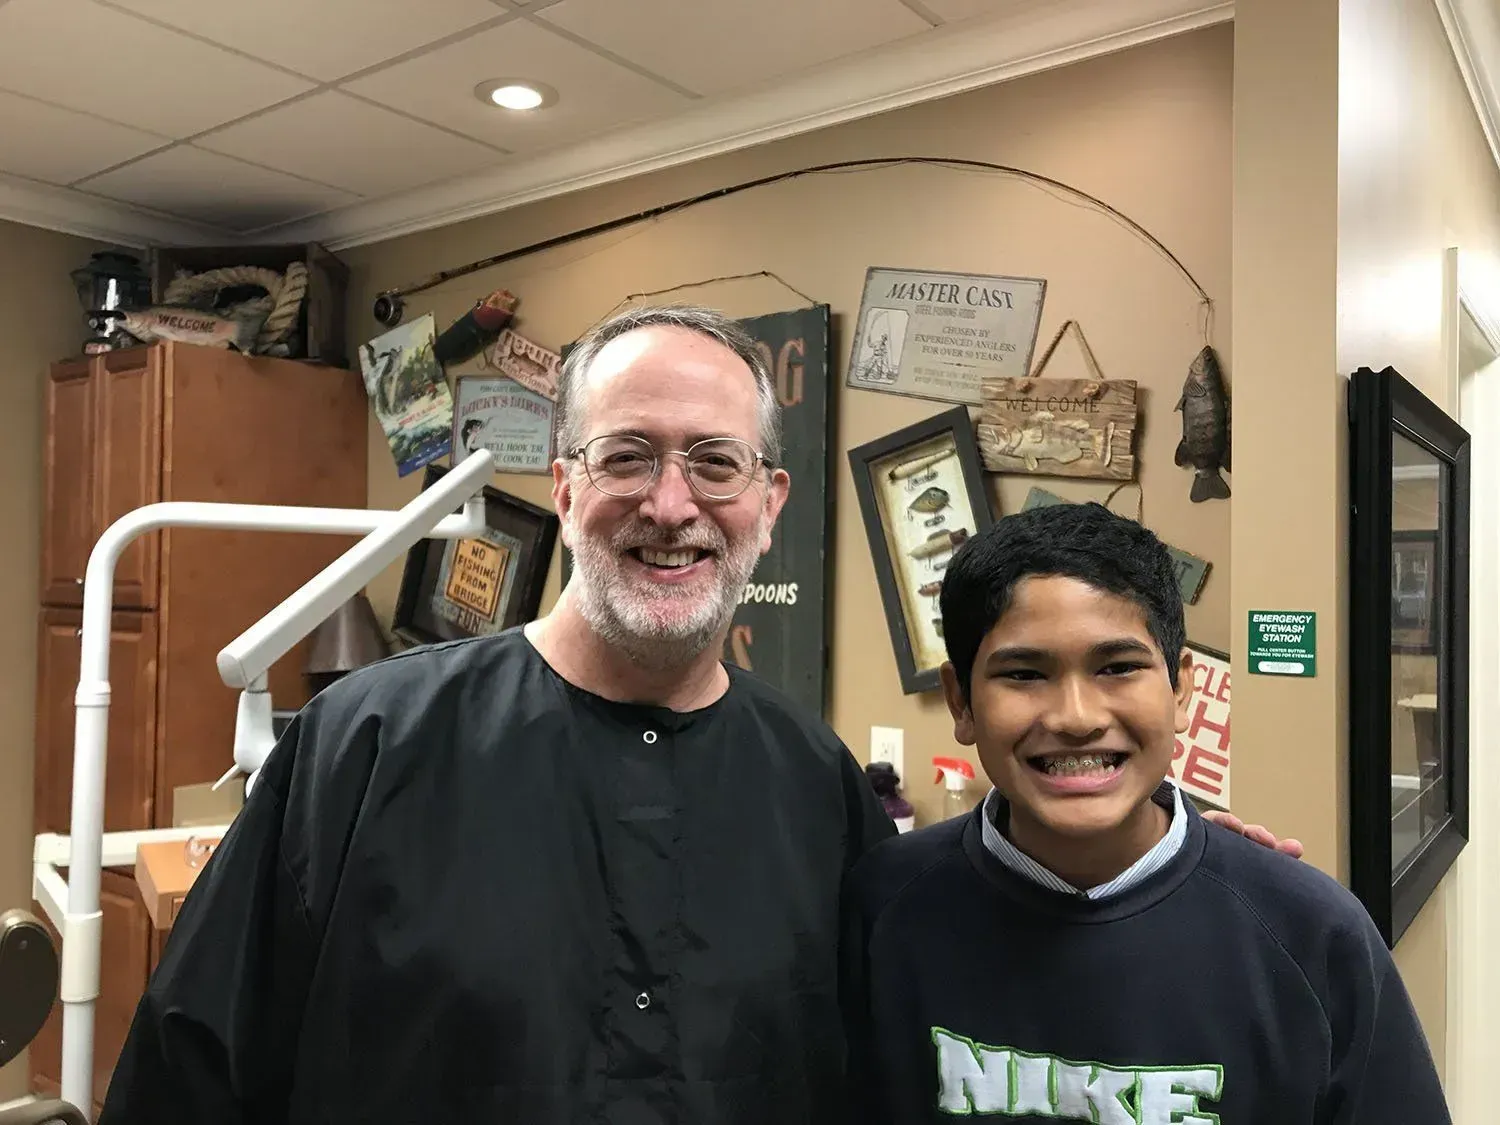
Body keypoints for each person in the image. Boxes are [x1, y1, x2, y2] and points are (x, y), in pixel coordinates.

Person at [98, 305, 1298, 1125]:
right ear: (565, 486)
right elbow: (186, 1074)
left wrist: (1169, 856)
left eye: (714, 464)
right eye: (628, 457)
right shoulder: (362, 748)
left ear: (767, 503)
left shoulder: (814, 786)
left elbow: (973, 948)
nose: (671, 505)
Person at [840, 502, 1451, 1124]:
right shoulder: (883, 907)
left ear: (1181, 688)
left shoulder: (1312, 933)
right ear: (960, 701)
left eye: (1119, 667)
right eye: (1024, 674)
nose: (1077, 717)